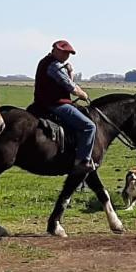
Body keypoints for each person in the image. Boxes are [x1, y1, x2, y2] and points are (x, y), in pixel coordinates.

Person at [33, 39, 97, 172]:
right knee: (89, 126)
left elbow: (67, 81)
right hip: (55, 104)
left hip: (44, 103)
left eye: (68, 54)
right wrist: (83, 95)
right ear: (55, 50)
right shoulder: (54, 66)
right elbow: (70, 87)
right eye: (64, 53)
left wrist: (70, 73)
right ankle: (83, 161)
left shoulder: (47, 62)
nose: (66, 56)